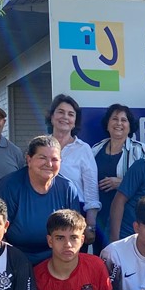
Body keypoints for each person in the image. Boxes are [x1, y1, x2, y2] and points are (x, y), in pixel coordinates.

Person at [0, 135, 83, 265]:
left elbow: (75, 232)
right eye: (42, 158)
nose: (49, 164)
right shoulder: (9, 186)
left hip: (57, 262)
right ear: (29, 159)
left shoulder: (67, 188)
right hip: (15, 260)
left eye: (54, 159)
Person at [90, 104, 145, 251]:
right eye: (114, 119)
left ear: (130, 126)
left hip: (128, 220)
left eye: (124, 120)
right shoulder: (95, 149)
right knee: (102, 259)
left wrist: (123, 184)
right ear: (107, 124)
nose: (119, 123)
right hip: (99, 218)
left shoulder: (139, 150)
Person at [47, 95, 100, 247]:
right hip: (44, 212)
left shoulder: (83, 149)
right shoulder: (42, 146)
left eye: (70, 114)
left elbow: (91, 189)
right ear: (52, 117)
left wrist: (90, 226)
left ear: (75, 121)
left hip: (75, 216)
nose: (65, 117)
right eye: (60, 112)